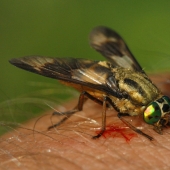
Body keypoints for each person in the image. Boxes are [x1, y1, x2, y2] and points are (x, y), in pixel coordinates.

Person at [1, 73, 170, 170]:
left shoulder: (150, 96)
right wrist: (138, 132)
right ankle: (77, 110)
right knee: (101, 98)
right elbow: (117, 113)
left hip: (117, 77)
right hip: (99, 80)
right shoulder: (131, 102)